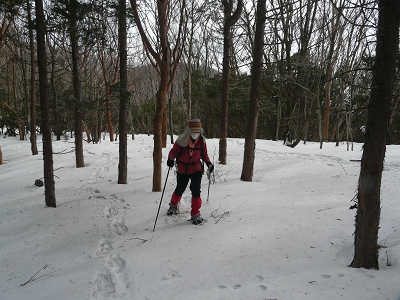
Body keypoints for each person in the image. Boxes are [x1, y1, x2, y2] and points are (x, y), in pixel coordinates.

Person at [166, 118, 214, 224]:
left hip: (196, 168)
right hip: (183, 169)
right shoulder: (181, 140)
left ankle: (195, 213)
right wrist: (170, 159)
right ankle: (173, 205)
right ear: (189, 130)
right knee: (180, 188)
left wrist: (209, 163)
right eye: (193, 131)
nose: (195, 133)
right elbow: (173, 151)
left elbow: (204, 155)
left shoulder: (201, 141)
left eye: (197, 131)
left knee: (196, 190)